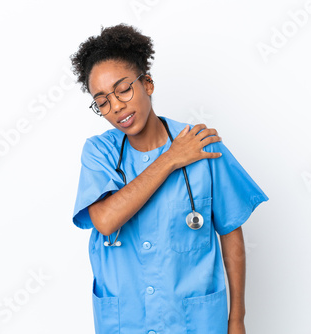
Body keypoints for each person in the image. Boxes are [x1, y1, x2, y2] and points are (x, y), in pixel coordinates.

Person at [70, 23, 269, 334]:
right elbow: (106, 221)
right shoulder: (99, 153)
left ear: (147, 83)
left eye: (123, 89)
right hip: (127, 321)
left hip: (195, 322)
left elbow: (231, 234)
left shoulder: (201, 145)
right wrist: (172, 158)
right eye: (103, 101)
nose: (117, 106)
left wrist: (237, 319)